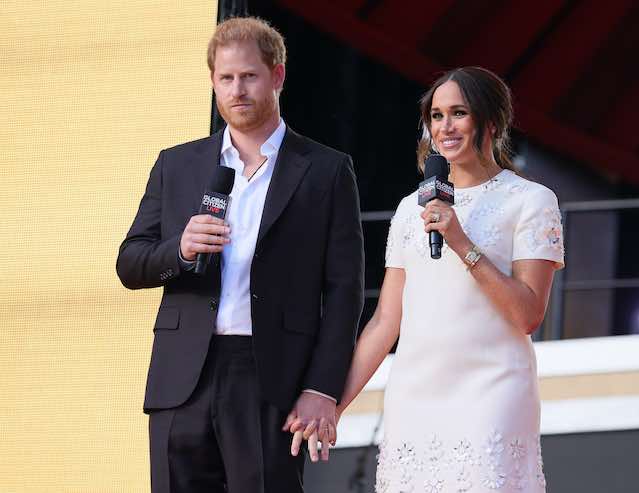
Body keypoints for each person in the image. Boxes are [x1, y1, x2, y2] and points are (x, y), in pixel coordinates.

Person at [116, 16, 364, 493]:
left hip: (269, 374)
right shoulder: (178, 163)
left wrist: (322, 388)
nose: (237, 89)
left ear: (277, 76)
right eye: (225, 78)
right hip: (181, 376)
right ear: (212, 82)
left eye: (249, 76)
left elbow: (344, 292)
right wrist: (182, 249)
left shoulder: (326, 171)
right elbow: (131, 261)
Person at [289, 66, 564, 492]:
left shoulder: (530, 201)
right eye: (436, 116)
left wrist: (460, 241)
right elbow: (385, 323)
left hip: (492, 392)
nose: (445, 127)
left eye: (459, 113)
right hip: (414, 396)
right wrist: (334, 405)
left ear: (491, 122)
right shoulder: (408, 210)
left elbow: (528, 314)